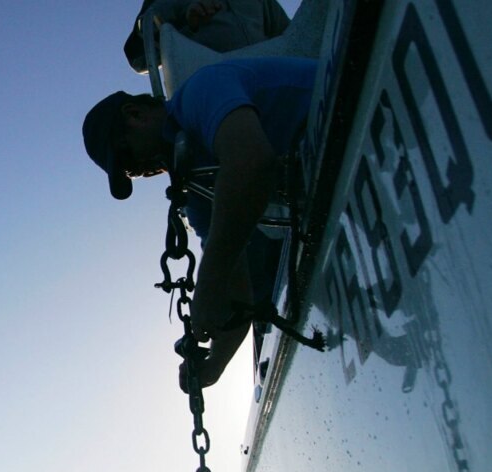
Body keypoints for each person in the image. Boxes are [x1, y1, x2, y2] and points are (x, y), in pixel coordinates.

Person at [82, 57, 317, 387]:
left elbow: (251, 162)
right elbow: (237, 287)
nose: (139, 171)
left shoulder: (201, 90)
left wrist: (208, 279)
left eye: (127, 161)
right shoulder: (198, 187)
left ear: (134, 115)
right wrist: (214, 366)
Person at [124, 0, 291, 74]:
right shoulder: (162, 4)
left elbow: (291, 37)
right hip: (214, 88)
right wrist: (188, 22)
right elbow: (138, 55)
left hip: (271, 76)